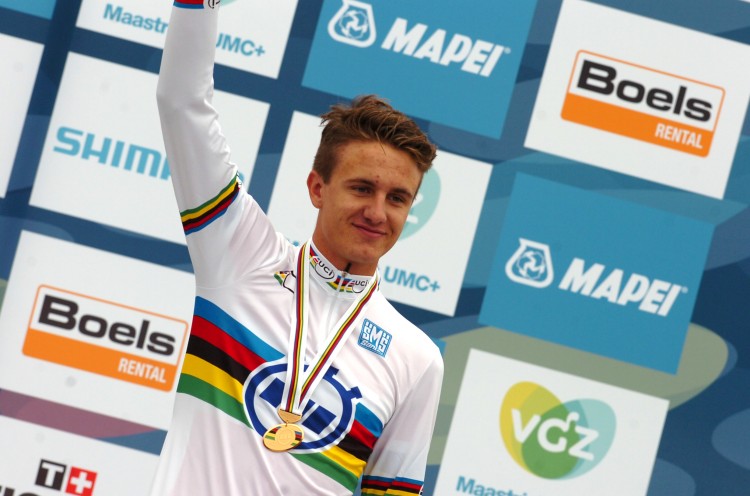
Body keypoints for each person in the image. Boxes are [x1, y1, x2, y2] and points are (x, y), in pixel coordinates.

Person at [151, 1, 443, 495]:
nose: (377, 212)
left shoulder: (416, 359)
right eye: (361, 188)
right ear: (317, 187)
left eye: (397, 198)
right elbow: (182, 103)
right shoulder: (242, 255)